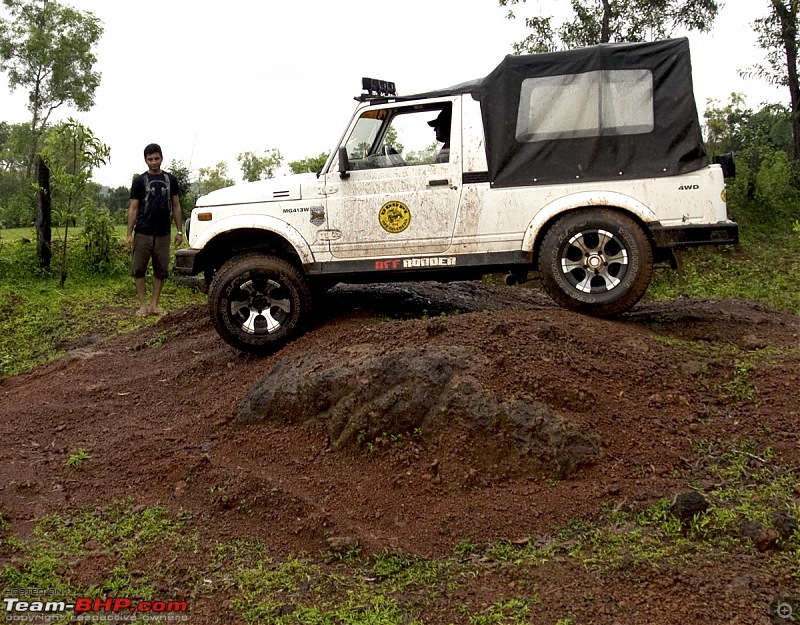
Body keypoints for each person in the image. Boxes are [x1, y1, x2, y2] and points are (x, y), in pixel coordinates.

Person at [126, 143, 183, 317]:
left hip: (163, 232)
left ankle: (154, 305)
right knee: (138, 269)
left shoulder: (170, 179)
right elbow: (133, 208)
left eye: (156, 158)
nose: (154, 162)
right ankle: (142, 305)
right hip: (143, 232)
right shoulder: (139, 181)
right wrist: (129, 234)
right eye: (150, 159)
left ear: (161, 158)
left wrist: (179, 231)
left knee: (161, 270)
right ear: (145, 160)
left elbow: (176, 205)